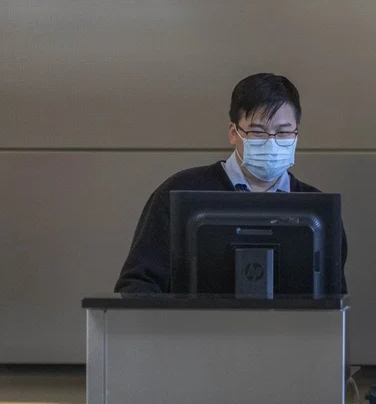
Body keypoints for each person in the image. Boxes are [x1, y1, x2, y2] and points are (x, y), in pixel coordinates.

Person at [114, 73, 348, 294]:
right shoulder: (180, 193)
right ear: (234, 133)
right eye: (258, 132)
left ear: (296, 135)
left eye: (283, 132)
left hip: (288, 335)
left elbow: (334, 301)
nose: (272, 142)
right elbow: (137, 285)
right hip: (195, 334)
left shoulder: (317, 211)